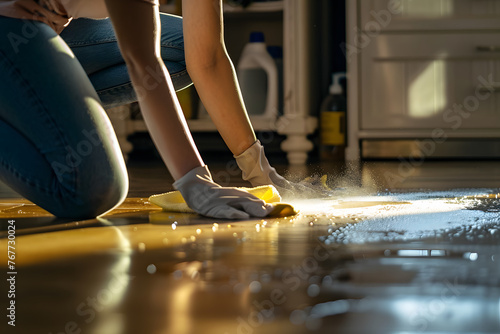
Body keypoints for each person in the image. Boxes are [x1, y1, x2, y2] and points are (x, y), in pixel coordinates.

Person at [0, 0, 306, 220]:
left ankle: (30, 104)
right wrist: (194, 182)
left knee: (182, 44)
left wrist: (260, 172)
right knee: (92, 189)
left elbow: (207, 58)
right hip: (11, 27)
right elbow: (143, 63)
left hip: (50, 28)